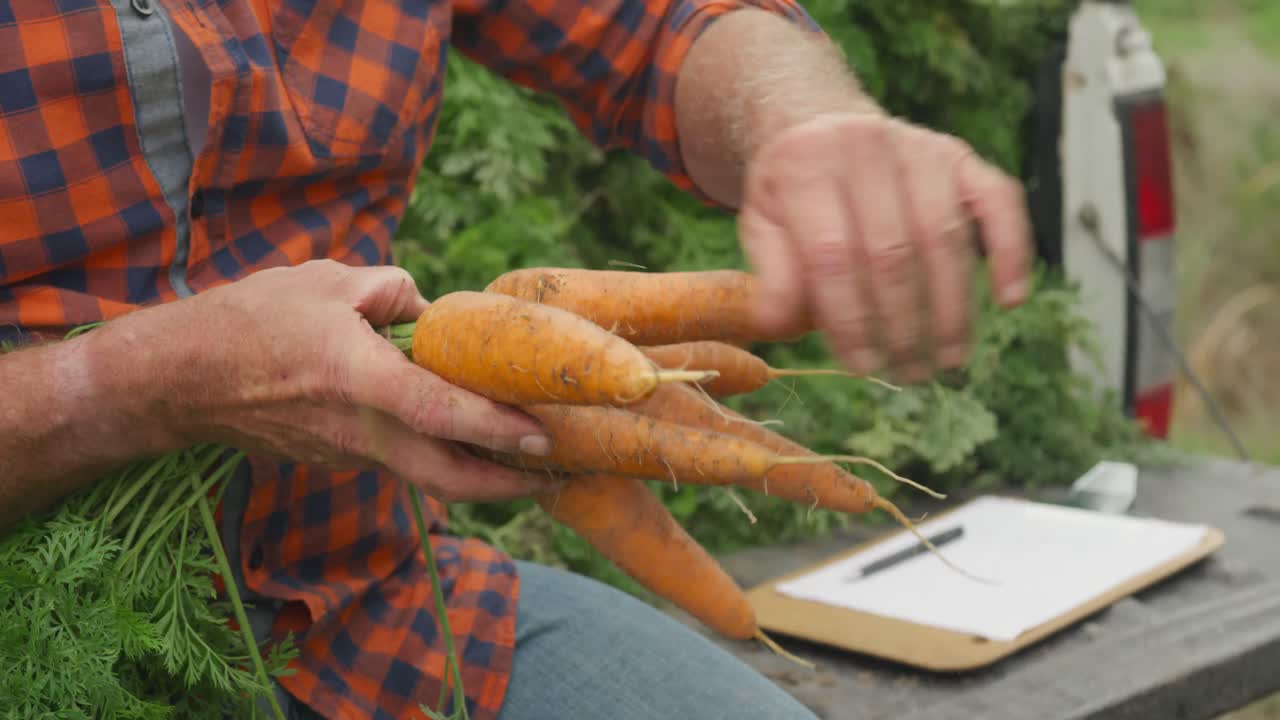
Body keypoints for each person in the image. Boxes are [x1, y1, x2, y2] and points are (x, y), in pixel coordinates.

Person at [0, 0, 1032, 717]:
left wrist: (800, 120)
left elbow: (658, 30)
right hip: (33, 644)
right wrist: (135, 389)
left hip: (369, 608)